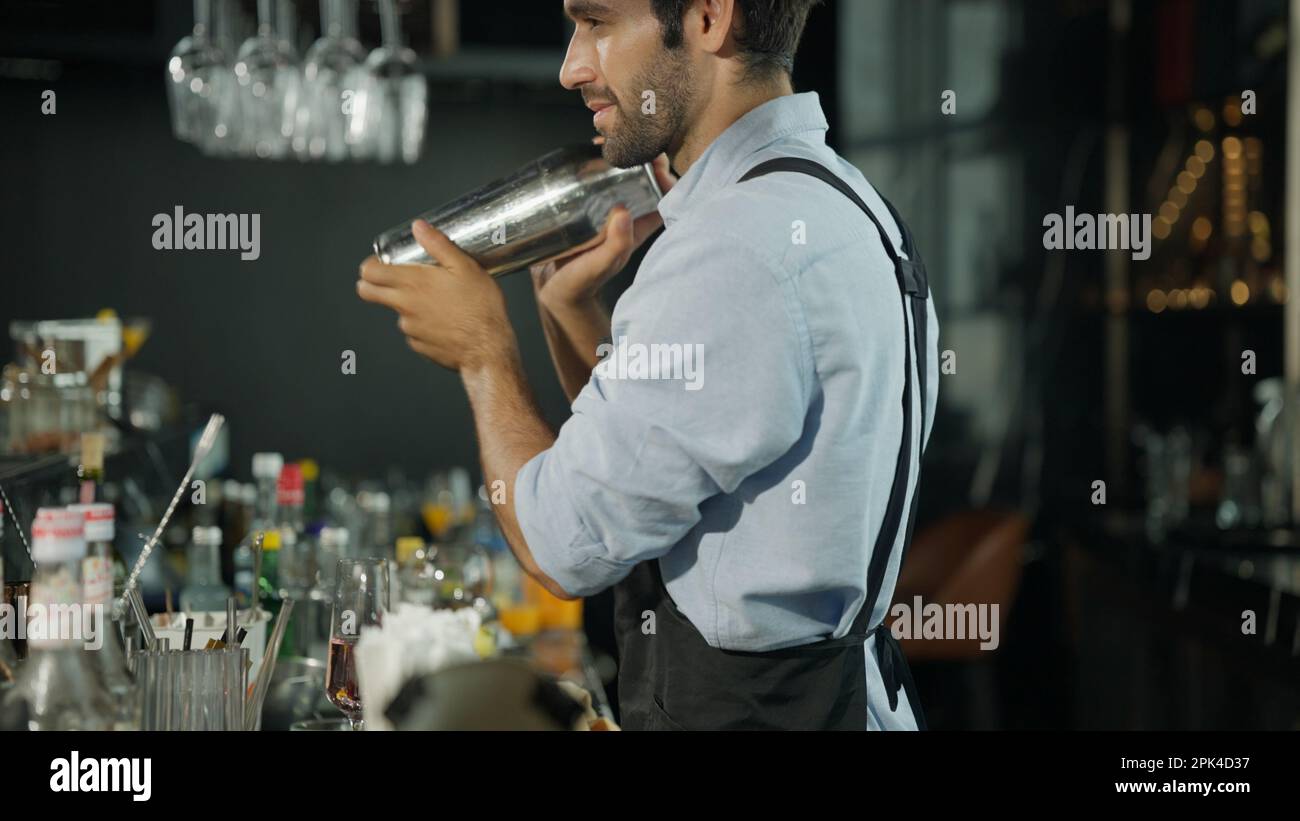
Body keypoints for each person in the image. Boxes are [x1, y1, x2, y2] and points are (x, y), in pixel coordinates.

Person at [357, 0, 940, 730]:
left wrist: (483, 354)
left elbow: (559, 543)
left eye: (597, 22)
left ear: (707, 18)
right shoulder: (840, 200)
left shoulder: (735, 245)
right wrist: (571, 315)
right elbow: (662, 459)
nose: (573, 67)